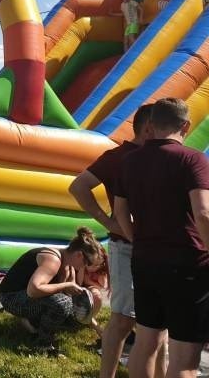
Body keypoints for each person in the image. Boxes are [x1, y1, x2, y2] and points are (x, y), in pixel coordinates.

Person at [114, 98, 209, 378]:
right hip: (188, 265)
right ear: (186, 126)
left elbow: (120, 211)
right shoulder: (192, 158)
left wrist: (136, 239)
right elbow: (202, 213)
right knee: (185, 359)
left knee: (146, 342)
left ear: (151, 125)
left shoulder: (129, 160)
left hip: (144, 261)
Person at [69, 104, 165, 378]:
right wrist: (110, 223)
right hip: (128, 249)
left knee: (160, 323)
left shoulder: (162, 157)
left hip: (160, 249)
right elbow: (78, 186)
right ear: (149, 128)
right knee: (123, 318)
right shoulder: (119, 157)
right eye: (165, 128)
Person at [0, 226, 105, 355]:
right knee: (62, 303)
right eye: (87, 263)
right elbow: (33, 290)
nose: (86, 267)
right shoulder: (53, 260)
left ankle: (30, 322)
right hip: (10, 297)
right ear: (79, 255)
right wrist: (65, 286)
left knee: (75, 317)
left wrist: (99, 330)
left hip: (26, 297)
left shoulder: (67, 266)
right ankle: (43, 346)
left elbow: (75, 304)